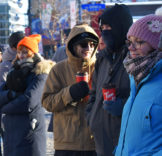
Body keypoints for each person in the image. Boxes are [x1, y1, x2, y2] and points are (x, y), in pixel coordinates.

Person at [42, 23, 99, 156]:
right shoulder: (58, 69)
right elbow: (47, 102)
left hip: (95, 142)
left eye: (92, 44)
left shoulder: (101, 66)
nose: (89, 48)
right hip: (67, 143)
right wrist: (70, 93)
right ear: (73, 46)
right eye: (84, 44)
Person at [0, 34, 55, 156]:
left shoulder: (40, 74)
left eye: (25, 52)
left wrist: (4, 108)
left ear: (33, 53)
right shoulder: (13, 73)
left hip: (30, 133)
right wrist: (11, 95)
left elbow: (28, 101)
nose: (21, 55)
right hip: (11, 135)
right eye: (20, 52)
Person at [85, 4, 133, 156]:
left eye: (109, 27)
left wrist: (123, 106)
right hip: (102, 139)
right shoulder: (103, 58)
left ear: (121, 27)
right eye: (102, 27)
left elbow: (146, 99)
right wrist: (91, 118)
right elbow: (94, 93)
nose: (104, 31)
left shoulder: (136, 58)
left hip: (126, 138)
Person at [114, 14, 162, 156]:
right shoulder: (136, 77)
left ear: (157, 47)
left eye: (139, 42)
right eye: (129, 41)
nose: (131, 48)